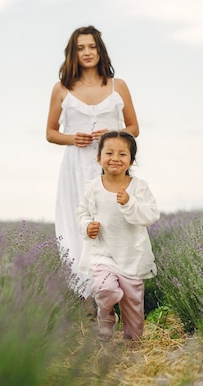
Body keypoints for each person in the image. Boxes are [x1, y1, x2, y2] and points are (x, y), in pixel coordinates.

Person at [46, 25, 139, 299]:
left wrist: (116, 135)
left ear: (100, 50)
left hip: (112, 167)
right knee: (80, 226)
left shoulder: (117, 85)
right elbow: (51, 133)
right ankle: (88, 297)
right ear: (73, 53)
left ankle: (120, 295)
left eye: (92, 47)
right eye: (81, 48)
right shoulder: (61, 89)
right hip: (76, 168)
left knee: (117, 224)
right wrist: (72, 138)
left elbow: (134, 127)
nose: (87, 52)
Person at [76, 131, 159, 342]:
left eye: (122, 154)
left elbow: (151, 215)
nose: (115, 158)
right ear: (99, 158)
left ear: (131, 160)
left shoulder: (138, 187)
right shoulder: (92, 187)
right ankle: (106, 323)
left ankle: (132, 344)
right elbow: (82, 212)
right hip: (103, 254)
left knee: (133, 307)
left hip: (132, 256)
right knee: (103, 288)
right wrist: (87, 226)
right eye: (109, 153)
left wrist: (129, 203)